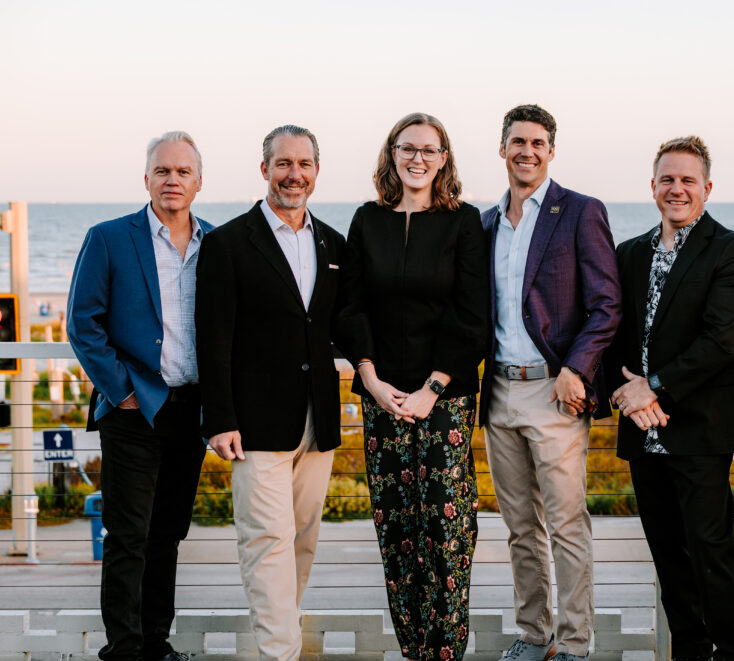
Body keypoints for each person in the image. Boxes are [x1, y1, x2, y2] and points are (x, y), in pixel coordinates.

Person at [338, 112, 488, 661]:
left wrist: (432, 387)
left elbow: (472, 315)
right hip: (380, 397)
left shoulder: (463, 222)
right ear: (392, 154)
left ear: (444, 158)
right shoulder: (366, 220)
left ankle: (446, 652)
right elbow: (350, 307)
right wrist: (372, 380)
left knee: (447, 529)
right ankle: (412, 652)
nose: (417, 159)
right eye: (408, 149)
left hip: (445, 399)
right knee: (397, 528)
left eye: (429, 150)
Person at [195, 125, 349, 661]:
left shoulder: (333, 242)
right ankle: (279, 653)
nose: (294, 175)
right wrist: (218, 417)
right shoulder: (228, 243)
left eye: (304, 164)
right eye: (283, 163)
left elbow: (342, 325)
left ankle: (280, 632)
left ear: (316, 170)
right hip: (254, 423)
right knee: (266, 541)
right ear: (264, 170)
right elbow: (211, 337)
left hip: (319, 419)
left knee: (302, 540)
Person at [479, 104, 622, 661]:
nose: (527, 151)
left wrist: (577, 369)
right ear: (502, 148)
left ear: (551, 150)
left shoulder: (580, 211)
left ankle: (575, 643)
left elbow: (607, 304)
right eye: (518, 141)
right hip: (497, 394)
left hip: (554, 392)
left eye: (538, 142)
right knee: (519, 527)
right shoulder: (485, 222)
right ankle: (533, 633)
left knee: (565, 523)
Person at [608, 136, 734, 661]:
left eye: (688, 180)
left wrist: (655, 386)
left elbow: (721, 340)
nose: (677, 188)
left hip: (700, 428)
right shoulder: (627, 254)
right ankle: (690, 653)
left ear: (707, 188)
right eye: (667, 179)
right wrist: (631, 398)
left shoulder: (730, 249)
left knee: (711, 554)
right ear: (652, 187)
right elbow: (610, 335)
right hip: (641, 427)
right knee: (668, 555)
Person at [67, 131, 211, 661]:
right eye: (162, 171)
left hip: (190, 409)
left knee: (168, 533)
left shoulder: (214, 243)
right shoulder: (108, 237)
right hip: (132, 409)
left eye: (182, 172)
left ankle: (156, 641)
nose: (172, 180)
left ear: (199, 181)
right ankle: (123, 649)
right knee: (127, 536)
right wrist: (121, 391)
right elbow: (83, 323)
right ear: (146, 178)